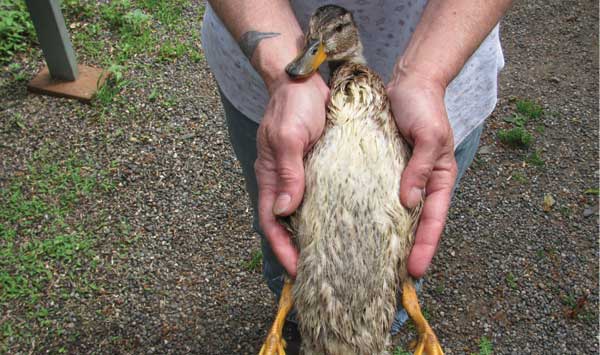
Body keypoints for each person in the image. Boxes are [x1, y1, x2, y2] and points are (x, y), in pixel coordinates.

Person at [201, 0, 512, 346]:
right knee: (290, 248)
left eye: (333, 34)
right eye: (314, 40)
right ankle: (291, 322)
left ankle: (396, 320)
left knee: (398, 259)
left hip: (446, 74)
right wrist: (281, 76)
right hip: (269, 89)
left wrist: (426, 77)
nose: (318, 48)